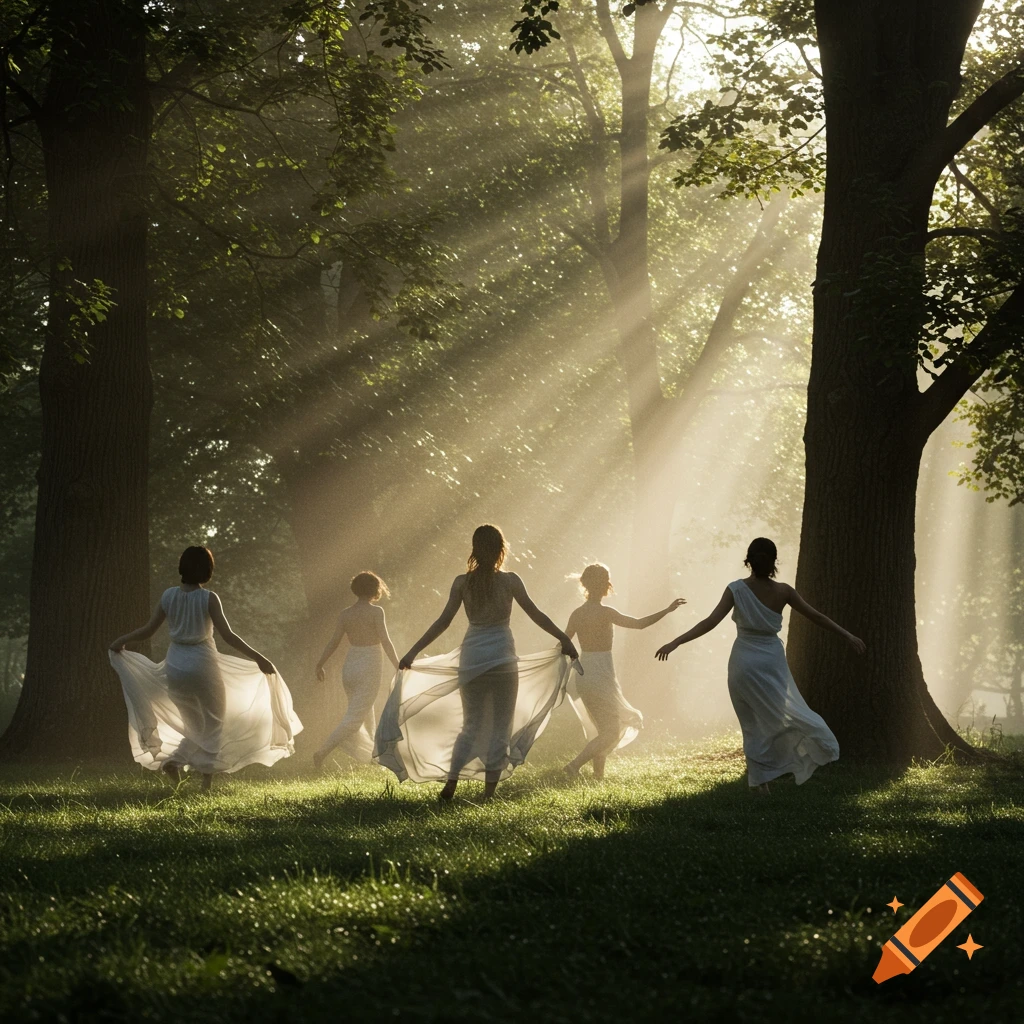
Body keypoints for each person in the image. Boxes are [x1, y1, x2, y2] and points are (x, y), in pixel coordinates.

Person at [375, 524, 579, 801]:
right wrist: (563, 639)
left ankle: (451, 784)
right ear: (500, 550)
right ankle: (488, 793)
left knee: (470, 726)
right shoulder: (510, 581)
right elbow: (535, 614)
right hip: (502, 660)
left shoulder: (462, 582)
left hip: (472, 660)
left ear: (475, 549)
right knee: (500, 727)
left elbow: (443, 621)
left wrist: (412, 652)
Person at [655, 538, 865, 793]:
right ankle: (767, 775)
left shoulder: (736, 589)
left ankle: (761, 781)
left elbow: (710, 622)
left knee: (752, 723)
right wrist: (847, 635)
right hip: (770, 661)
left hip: (744, 662)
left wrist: (676, 642)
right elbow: (816, 616)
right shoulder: (784, 591)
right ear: (774, 562)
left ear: (749, 560)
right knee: (776, 717)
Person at [108, 546, 302, 790]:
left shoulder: (168, 596)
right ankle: (204, 780)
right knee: (214, 720)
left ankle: (175, 762)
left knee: (193, 723)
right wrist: (259, 658)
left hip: (176, 665)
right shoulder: (208, 598)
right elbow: (228, 636)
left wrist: (120, 641)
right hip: (202, 664)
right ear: (207, 570)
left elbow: (148, 630)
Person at [562, 563, 685, 779]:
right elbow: (639, 624)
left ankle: (598, 777)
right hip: (599, 675)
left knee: (604, 729)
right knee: (610, 731)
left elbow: (564, 643)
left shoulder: (578, 613)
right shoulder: (605, 612)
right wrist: (667, 610)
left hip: (585, 675)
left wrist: (569, 661)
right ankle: (574, 766)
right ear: (605, 585)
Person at [312, 571, 399, 770]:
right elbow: (385, 641)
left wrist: (320, 663)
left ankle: (374, 756)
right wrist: (398, 664)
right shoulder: (376, 612)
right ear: (375, 590)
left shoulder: (346, 614)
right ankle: (322, 752)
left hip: (350, 667)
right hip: (369, 664)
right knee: (355, 717)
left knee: (365, 711)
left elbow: (334, 641)